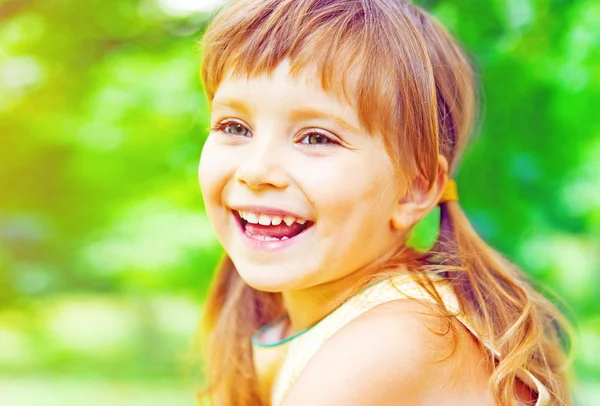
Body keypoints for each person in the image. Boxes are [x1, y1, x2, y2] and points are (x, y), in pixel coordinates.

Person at [196, 0, 573, 404]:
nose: (256, 170)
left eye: (316, 138)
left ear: (414, 189)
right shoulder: (291, 323)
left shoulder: (395, 339)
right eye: (234, 127)